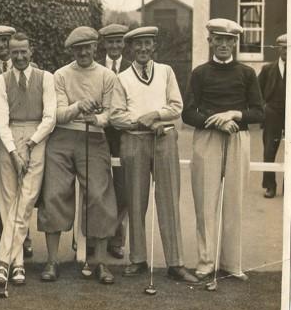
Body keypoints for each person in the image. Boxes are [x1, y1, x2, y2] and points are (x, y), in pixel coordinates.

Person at [110, 26, 198, 283]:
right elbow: (116, 116)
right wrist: (144, 122)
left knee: (169, 200)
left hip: (164, 139)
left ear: (154, 46)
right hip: (134, 141)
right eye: (138, 45)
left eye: (148, 44)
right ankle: (137, 259)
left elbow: (176, 106)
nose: (143, 49)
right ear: (131, 49)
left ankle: (175, 263)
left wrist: (156, 116)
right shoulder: (122, 78)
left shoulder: (166, 71)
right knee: (136, 201)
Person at [183, 18, 264, 281]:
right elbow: (187, 113)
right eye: (219, 39)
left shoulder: (247, 73)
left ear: (235, 43)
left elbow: (259, 112)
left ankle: (231, 264)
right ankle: (206, 262)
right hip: (207, 138)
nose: (224, 45)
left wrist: (233, 114)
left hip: (238, 139)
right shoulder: (200, 73)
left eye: (229, 40)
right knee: (206, 202)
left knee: (234, 202)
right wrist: (217, 122)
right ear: (210, 41)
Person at [37, 26, 118, 284]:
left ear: (95, 48)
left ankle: (101, 263)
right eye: (78, 48)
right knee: (54, 194)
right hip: (61, 137)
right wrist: (76, 107)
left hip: (93, 137)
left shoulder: (106, 76)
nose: (83, 52)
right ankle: (52, 260)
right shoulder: (60, 75)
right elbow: (58, 114)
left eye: (87, 47)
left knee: (99, 195)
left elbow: (110, 114)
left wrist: (97, 118)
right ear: (72, 50)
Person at [0, 32, 56, 285]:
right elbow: (1, 121)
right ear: (9, 53)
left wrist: (30, 144)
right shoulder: (0, 80)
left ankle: (3, 260)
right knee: (9, 202)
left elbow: (50, 118)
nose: (19, 56)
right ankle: (17, 264)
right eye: (14, 52)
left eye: (23, 51)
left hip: (37, 139)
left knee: (26, 200)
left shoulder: (46, 78)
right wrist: (13, 151)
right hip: (8, 139)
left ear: (32, 51)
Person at [0, 25, 34, 258]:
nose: (1, 45)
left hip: (20, 136)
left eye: (5, 41)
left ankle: (23, 239)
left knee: (22, 190)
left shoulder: (30, 70)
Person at [96, 23, 132, 259]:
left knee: (123, 189)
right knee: (97, 188)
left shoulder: (131, 70)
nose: (115, 46)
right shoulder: (95, 69)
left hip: (125, 136)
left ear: (124, 44)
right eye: (111, 42)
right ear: (104, 44)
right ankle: (92, 237)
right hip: (99, 135)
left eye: (119, 41)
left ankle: (116, 240)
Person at [258, 33, 286, 199]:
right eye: (283, 48)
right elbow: (257, 91)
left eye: (289, 48)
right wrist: (263, 108)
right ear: (278, 49)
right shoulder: (268, 69)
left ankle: (288, 186)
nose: (286, 52)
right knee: (269, 150)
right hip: (273, 112)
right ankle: (270, 186)